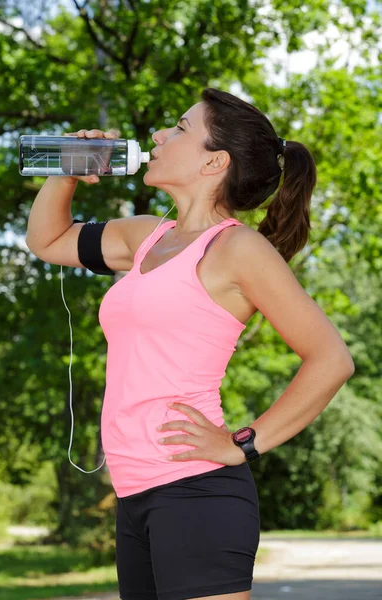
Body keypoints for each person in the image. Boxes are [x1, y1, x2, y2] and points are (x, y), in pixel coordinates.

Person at [26, 87, 355, 600]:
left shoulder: (238, 249)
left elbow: (332, 359)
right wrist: (66, 171)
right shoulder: (147, 237)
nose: (158, 135)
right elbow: (48, 241)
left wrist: (244, 443)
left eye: (179, 128)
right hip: (134, 494)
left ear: (215, 162)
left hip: (197, 493)